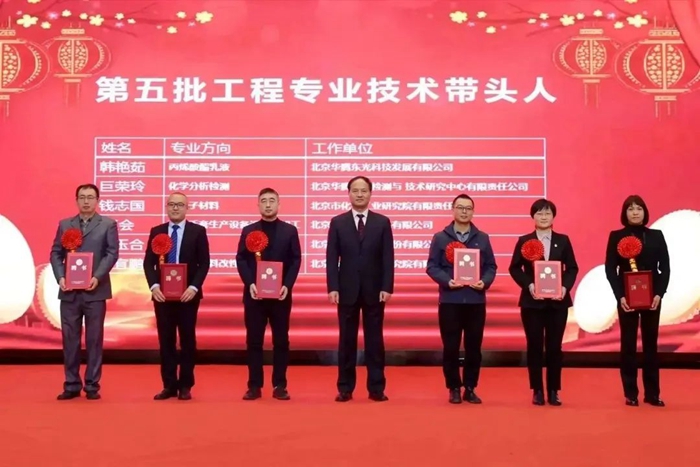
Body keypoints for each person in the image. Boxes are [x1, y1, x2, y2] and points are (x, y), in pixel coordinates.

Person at [326, 176, 395, 402]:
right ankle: (345, 388)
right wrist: (333, 287)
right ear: (348, 194)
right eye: (355, 190)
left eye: (363, 190)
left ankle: (376, 388)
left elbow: (388, 257)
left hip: (375, 290)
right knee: (346, 341)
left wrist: (387, 286)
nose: (359, 194)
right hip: (346, 290)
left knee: (375, 341)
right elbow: (331, 258)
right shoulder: (338, 222)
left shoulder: (382, 222)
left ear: (370, 194)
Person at [49, 183, 119, 400]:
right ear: (76, 200)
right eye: (82, 197)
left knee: (94, 339)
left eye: (90, 197)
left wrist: (97, 276)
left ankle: (91, 385)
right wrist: (61, 277)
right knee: (70, 339)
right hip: (69, 292)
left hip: (95, 291)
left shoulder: (107, 224)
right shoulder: (65, 224)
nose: (86, 201)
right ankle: (71, 384)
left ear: (97, 200)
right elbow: (56, 253)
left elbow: (112, 253)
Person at [426, 194, 497, 404]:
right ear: (453, 210)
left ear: (473, 212)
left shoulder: (482, 238)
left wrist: (484, 282)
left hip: (476, 301)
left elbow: (491, 266)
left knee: (474, 347)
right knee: (451, 347)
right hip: (450, 300)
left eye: (468, 208)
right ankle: (454, 387)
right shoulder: (441, 238)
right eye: (460, 207)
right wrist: (448, 281)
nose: (464, 211)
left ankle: (470, 387)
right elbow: (432, 266)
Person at [508, 198, 579, 406]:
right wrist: (529, 285)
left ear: (553, 216)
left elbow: (572, 268)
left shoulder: (563, 240)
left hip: (557, 303)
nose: (544, 217)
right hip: (532, 304)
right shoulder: (524, 241)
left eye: (547, 213)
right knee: (535, 346)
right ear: (533, 217)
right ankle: (537, 390)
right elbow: (514, 268)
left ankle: (554, 390)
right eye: (539, 213)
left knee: (555, 347)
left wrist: (564, 287)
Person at [143, 192, 210, 401]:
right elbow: (148, 263)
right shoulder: (157, 231)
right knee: (166, 341)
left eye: (179, 205)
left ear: (187, 208)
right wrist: (154, 286)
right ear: (166, 207)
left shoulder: (198, 231)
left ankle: (186, 385)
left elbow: (204, 263)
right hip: (162, 296)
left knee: (188, 340)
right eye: (171, 204)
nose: (175, 208)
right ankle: (169, 385)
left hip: (188, 296)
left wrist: (194, 287)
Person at [236, 188, 301, 400]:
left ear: (278, 204)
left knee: (281, 341)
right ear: (258, 205)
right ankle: (254, 386)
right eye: (263, 201)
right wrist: (250, 283)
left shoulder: (289, 231)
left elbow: (295, 260)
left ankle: (280, 385)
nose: (268, 204)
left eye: (272, 200)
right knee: (254, 341)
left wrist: (287, 285)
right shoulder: (248, 231)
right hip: (255, 295)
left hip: (280, 295)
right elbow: (241, 259)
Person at [604, 194, 670, 407]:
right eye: (631, 209)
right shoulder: (616, 236)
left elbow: (665, 268)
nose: (635, 212)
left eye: (639, 208)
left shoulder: (656, 236)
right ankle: (630, 393)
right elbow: (610, 269)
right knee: (628, 345)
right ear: (625, 213)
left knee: (651, 345)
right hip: (627, 298)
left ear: (644, 212)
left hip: (652, 298)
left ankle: (653, 393)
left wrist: (659, 294)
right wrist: (620, 296)